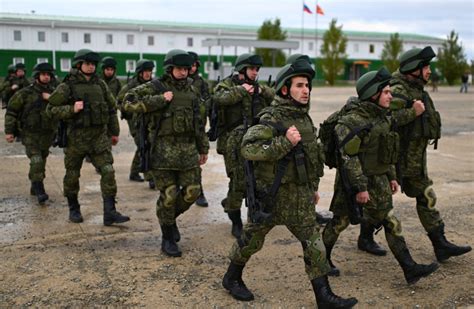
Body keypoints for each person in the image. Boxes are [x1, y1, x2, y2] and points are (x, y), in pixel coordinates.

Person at [222, 60, 357, 308]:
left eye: (307, 86)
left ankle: (324, 296)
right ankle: (231, 277)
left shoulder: (303, 119)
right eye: (299, 85)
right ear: (285, 89)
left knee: (313, 243)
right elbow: (249, 148)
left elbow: (311, 158)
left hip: (300, 197)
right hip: (272, 198)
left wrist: (313, 187)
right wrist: (284, 142)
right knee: (252, 240)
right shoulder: (270, 118)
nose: (306, 90)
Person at [322, 67, 440, 285]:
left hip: (379, 180)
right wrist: (360, 188)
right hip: (354, 182)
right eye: (386, 92)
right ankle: (322, 260)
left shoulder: (383, 118)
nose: (390, 96)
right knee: (339, 222)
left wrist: (392, 176)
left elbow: (388, 152)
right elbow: (349, 159)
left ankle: (409, 268)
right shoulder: (352, 121)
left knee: (391, 221)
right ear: (373, 94)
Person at [123, 49, 209, 257]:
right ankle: (167, 237)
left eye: (186, 69)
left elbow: (198, 122)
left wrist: (203, 147)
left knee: (192, 192)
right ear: (170, 69)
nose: (184, 72)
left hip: (187, 151)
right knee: (169, 195)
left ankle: (169, 220)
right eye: (179, 69)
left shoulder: (192, 91)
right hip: (162, 152)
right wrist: (159, 100)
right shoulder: (156, 87)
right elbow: (128, 101)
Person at [388, 46, 471, 261]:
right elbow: (385, 122)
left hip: (415, 161)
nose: (429, 71)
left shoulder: (417, 90)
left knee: (426, 197)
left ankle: (440, 244)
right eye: (425, 67)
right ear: (413, 68)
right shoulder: (397, 90)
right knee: (379, 203)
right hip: (395, 160)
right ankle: (365, 236)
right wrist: (411, 113)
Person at [47, 49, 130, 226]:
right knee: (72, 175)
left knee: (108, 171)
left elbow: (110, 109)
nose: (91, 67)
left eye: (93, 64)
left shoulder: (100, 85)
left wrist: (114, 133)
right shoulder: (67, 86)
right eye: (88, 63)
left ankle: (110, 212)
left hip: (98, 138)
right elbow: (51, 110)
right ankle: (73, 208)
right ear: (79, 65)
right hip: (76, 138)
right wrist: (71, 109)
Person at [212, 53, 274, 238]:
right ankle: (235, 219)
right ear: (242, 69)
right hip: (232, 142)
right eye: (252, 69)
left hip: (253, 141)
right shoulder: (227, 85)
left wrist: (261, 91)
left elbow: (274, 96)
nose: (255, 72)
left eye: (257, 69)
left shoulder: (258, 88)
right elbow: (218, 98)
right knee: (239, 181)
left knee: (257, 180)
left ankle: (253, 214)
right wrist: (241, 91)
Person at [286, 53, 332, 225]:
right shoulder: (286, 86)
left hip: (303, 129)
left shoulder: (305, 89)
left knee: (310, 165)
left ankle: (309, 211)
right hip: (289, 132)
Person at [4, 63, 58, 204]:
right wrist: (9, 131)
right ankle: (40, 190)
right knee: (37, 160)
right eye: (43, 74)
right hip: (30, 134)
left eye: (48, 74)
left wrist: (50, 98)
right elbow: (11, 112)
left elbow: (63, 109)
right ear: (37, 76)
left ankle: (34, 184)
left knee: (42, 160)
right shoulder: (25, 93)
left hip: (47, 134)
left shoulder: (55, 93)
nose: (46, 77)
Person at [117, 59, 156, 188]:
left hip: (150, 121)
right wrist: (129, 110)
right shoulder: (131, 86)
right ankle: (150, 177)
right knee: (143, 146)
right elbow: (119, 101)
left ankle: (134, 172)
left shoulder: (153, 85)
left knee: (146, 146)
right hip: (135, 123)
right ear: (140, 72)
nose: (148, 74)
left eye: (150, 71)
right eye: (145, 71)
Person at [188, 51, 210, 207]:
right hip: (178, 129)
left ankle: (199, 192)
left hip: (196, 127)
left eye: (194, 65)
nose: (191, 68)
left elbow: (208, 103)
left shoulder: (201, 83)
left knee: (196, 162)